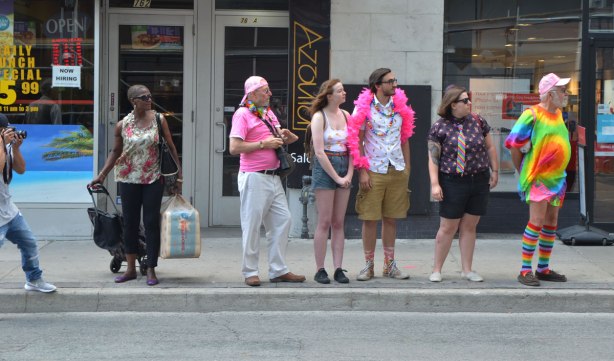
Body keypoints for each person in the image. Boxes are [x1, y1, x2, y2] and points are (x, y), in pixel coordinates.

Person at [90, 84, 182, 286]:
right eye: (144, 97)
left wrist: (178, 177)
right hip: (127, 177)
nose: (149, 99)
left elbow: (172, 148)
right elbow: (115, 152)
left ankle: (150, 268)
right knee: (130, 223)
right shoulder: (122, 125)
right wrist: (102, 175)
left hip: (153, 177)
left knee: (150, 223)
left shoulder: (159, 120)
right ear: (134, 101)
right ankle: (130, 268)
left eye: (150, 96)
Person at [229, 75, 306, 287]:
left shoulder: (267, 113)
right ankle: (250, 271)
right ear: (252, 94)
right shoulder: (242, 114)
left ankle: (278, 270)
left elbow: (275, 138)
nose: (270, 94)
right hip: (254, 177)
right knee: (252, 226)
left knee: (283, 221)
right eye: (265, 90)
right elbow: (234, 148)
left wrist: (285, 137)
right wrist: (264, 144)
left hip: (273, 177)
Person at [347, 68, 415, 281]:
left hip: (396, 169)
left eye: (395, 80)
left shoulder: (400, 107)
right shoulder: (363, 108)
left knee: (391, 219)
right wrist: (362, 171)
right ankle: (368, 265)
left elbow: (405, 139)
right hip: (373, 170)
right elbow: (356, 140)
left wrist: (407, 169)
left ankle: (389, 265)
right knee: (369, 219)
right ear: (378, 85)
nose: (395, 85)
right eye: (390, 81)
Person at [505, 73, 571, 287]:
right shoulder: (532, 115)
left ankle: (543, 268)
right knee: (536, 222)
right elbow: (515, 145)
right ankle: (525, 270)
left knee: (551, 223)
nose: (566, 94)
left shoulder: (559, 114)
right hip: (539, 179)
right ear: (550, 94)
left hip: (557, 180)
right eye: (562, 90)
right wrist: (522, 169)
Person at [427, 85, 499, 283]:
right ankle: (437, 269)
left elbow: (490, 147)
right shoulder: (439, 126)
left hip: (478, 179)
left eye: (469, 99)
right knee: (448, 227)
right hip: (452, 181)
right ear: (452, 105)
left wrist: (495, 171)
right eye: (465, 100)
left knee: (469, 226)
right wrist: (435, 184)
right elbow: (433, 158)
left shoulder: (478, 121)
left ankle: (467, 270)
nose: (469, 103)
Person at [0, 113, 56, 292]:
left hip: (9, 209)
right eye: (5, 130)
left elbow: (21, 169)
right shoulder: (1, 146)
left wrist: (15, 148)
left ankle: (33, 279)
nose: (9, 133)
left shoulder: (6, 146)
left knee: (29, 242)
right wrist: (2, 144)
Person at [309, 79, 353, 284]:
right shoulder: (319, 117)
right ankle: (320, 269)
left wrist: (349, 174)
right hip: (325, 167)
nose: (344, 93)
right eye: (340, 91)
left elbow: (354, 147)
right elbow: (319, 151)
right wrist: (336, 177)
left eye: (343, 90)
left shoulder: (347, 115)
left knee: (338, 222)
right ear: (329, 95)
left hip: (344, 163)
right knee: (324, 221)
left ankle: (338, 268)